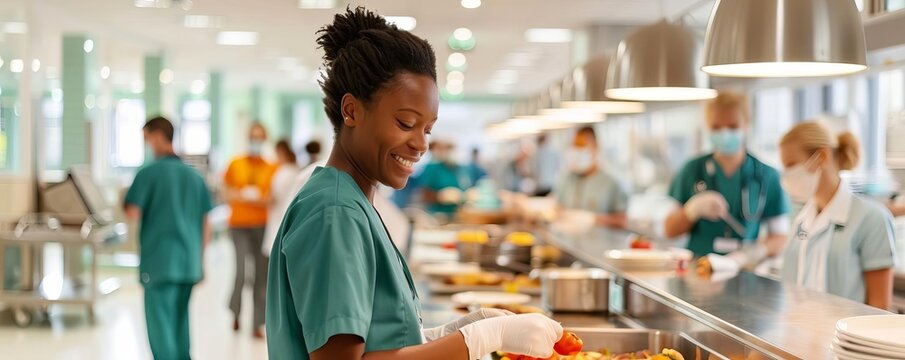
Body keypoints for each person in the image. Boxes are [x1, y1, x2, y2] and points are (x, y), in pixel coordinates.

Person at [265, 7, 562, 360]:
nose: (421, 144)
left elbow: (378, 338)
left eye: (428, 129)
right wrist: (479, 340)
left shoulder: (352, 201)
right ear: (352, 111)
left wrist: (449, 334)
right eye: (406, 123)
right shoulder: (335, 212)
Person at [777, 122, 896, 309]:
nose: (787, 175)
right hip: (800, 334)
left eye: (791, 165)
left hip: (845, 337)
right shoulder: (800, 217)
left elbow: (879, 307)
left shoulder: (871, 218)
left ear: (821, 157)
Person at [665, 91, 789, 269]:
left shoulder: (767, 176)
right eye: (716, 127)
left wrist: (752, 253)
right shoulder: (692, 170)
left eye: (732, 126)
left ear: (746, 125)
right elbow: (669, 230)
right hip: (697, 268)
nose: (725, 133)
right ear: (707, 127)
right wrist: (691, 210)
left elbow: (779, 236)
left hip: (744, 272)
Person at [124, 116, 213, 360]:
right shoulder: (195, 177)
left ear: (158, 136)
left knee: (161, 330)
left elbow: (132, 212)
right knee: (180, 325)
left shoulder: (149, 174)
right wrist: (200, 261)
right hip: (188, 263)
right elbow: (207, 225)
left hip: (160, 263)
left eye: (147, 139)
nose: (147, 145)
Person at [222, 122, 276, 339]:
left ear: (264, 140)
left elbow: (272, 198)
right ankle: (235, 313)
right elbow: (225, 192)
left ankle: (257, 323)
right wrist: (243, 196)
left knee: (261, 276)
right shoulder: (235, 164)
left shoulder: (271, 167)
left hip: (262, 225)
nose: (256, 141)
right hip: (238, 225)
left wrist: (259, 200)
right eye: (253, 136)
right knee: (242, 271)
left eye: (259, 137)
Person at [553, 126, 629, 229]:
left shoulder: (613, 183)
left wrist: (594, 219)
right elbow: (557, 207)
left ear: (595, 147)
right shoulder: (567, 178)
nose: (577, 151)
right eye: (574, 147)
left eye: (581, 146)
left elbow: (622, 221)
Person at [262, 139, 302, 258]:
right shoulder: (297, 170)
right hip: (292, 223)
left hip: (278, 221)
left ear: (280, 151)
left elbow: (272, 199)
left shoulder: (282, 173)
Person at [420, 139, 468, 216]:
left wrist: (465, 196)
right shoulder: (432, 168)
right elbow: (424, 195)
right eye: (448, 148)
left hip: (457, 214)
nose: (451, 152)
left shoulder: (459, 169)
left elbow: (465, 187)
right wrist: (440, 196)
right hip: (437, 215)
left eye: (453, 148)